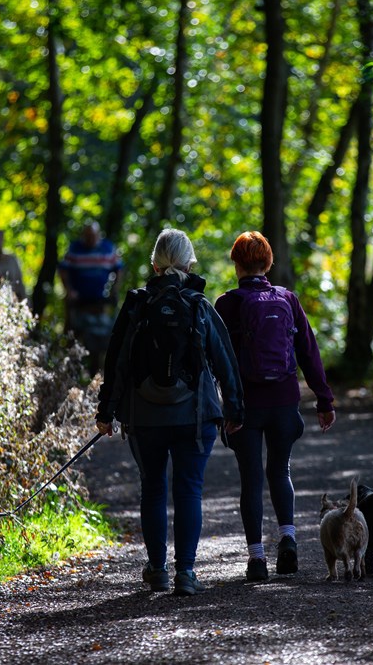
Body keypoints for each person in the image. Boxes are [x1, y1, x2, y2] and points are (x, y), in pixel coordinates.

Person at [96, 228, 244, 596]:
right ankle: (187, 573)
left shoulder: (136, 304)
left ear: (155, 263)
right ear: (189, 262)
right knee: (189, 491)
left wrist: (107, 411)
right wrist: (234, 408)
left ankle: (158, 569)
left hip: (144, 417)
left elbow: (117, 359)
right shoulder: (199, 305)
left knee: (153, 489)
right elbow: (225, 361)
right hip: (194, 416)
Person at [215, 231, 336, 582]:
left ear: (236, 264)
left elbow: (217, 360)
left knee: (250, 480)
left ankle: (256, 560)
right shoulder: (288, 299)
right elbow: (309, 353)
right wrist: (324, 399)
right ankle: (289, 541)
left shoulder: (227, 304)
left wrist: (220, 408)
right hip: (284, 401)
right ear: (268, 262)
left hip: (245, 406)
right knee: (280, 471)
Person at [58, 222, 125, 373]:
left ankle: (97, 374)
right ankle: (69, 372)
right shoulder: (75, 249)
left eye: (93, 236)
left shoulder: (107, 248)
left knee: (101, 338)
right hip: (79, 302)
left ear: (98, 235)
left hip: (100, 303)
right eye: (87, 236)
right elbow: (63, 270)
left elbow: (119, 269)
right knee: (73, 336)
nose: (90, 239)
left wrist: (114, 289)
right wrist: (69, 290)